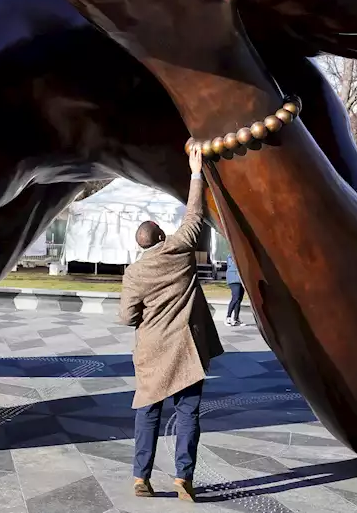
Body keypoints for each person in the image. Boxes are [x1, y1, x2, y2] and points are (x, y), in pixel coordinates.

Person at [120, 147, 223, 502]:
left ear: (140, 245)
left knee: (148, 412)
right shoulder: (180, 250)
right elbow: (195, 214)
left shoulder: (134, 273)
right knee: (188, 414)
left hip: (151, 352)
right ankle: (184, 479)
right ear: (162, 235)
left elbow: (127, 317)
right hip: (186, 348)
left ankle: (141, 479)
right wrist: (196, 172)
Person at [224, 251, 244, 326]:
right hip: (234, 279)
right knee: (235, 298)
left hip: (240, 280)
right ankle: (228, 317)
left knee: (239, 299)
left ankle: (236, 318)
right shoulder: (232, 255)